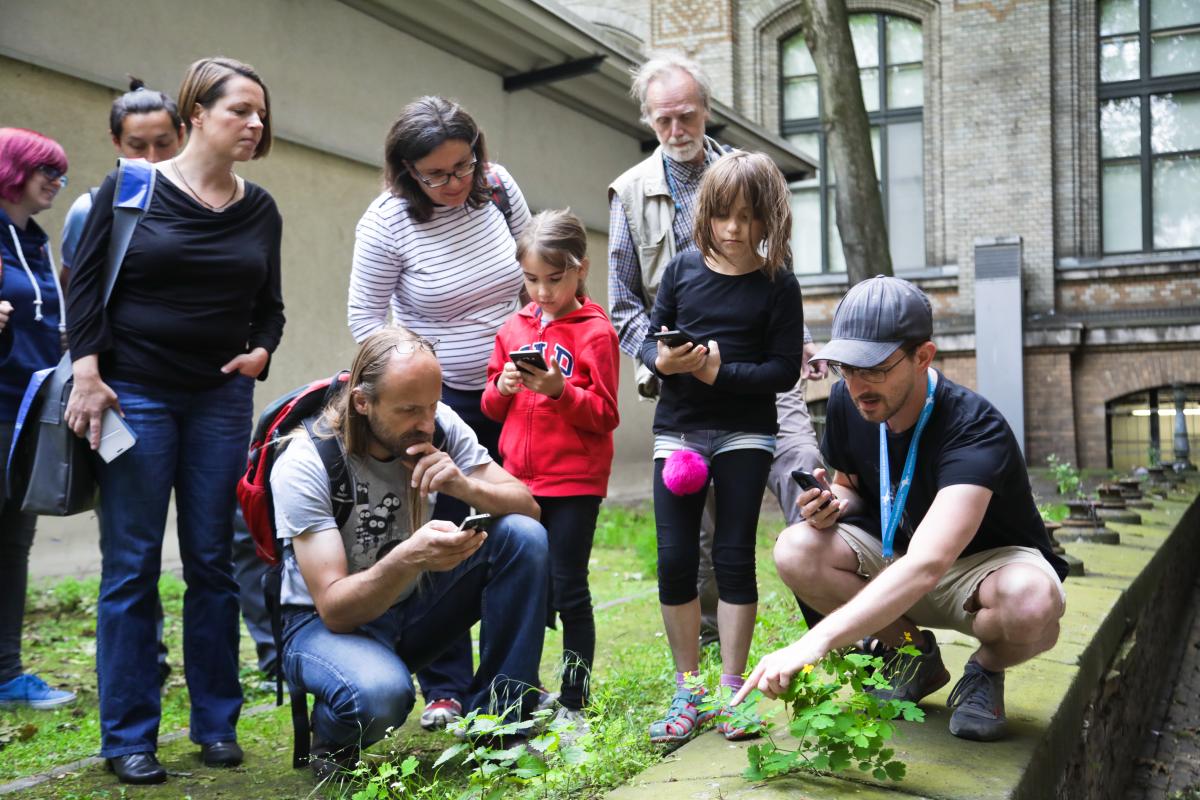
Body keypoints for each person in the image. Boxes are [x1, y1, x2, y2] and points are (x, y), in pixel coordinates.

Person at [64, 57, 285, 784]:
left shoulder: (260, 208)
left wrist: (261, 351)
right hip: (136, 396)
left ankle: (216, 723)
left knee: (213, 565)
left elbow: (269, 308)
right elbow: (86, 288)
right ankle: (128, 735)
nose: (256, 124)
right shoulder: (129, 189)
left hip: (220, 400)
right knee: (130, 568)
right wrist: (88, 373)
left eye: (261, 113)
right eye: (240, 111)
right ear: (197, 113)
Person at [735, 275, 1069, 743]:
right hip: (895, 554)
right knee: (795, 547)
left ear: (923, 356)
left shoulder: (975, 427)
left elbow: (930, 562)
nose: (857, 385)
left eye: (874, 368)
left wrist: (809, 645)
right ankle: (914, 657)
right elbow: (850, 483)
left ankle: (985, 671)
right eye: (847, 368)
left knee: (1034, 602)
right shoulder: (848, 403)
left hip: (978, 571)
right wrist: (833, 503)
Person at [607, 53, 827, 643]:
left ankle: (849, 633)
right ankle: (706, 649)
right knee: (699, 534)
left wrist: (798, 341)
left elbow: (782, 268)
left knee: (805, 478)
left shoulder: (749, 171)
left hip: (762, 373)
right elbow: (623, 306)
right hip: (685, 384)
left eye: (687, 116)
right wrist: (658, 356)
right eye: (663, 121)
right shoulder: (629, 193)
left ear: (708, 110)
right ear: (649, 120)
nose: (676, 131)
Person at [272, 327, 548, 778]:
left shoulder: (438, 423)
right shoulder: (306, 461)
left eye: (431, 406)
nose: (425, 422)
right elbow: (336, 610)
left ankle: (501, 727)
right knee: (381, 696)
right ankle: (334, 733)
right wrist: (410, 556)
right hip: (321, 627)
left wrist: (462, 483)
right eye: (408, 410)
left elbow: (529, 509)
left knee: (521, 537)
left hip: (409, 604)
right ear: (363, 402)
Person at [347, 95, 532, 731]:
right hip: (445, 399)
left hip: (517, 389)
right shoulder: (386, 223)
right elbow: (366, 319)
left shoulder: (499, 188)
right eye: (438, 174)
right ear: (406, 170)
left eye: (465, 167)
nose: (456, 183)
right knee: (447, 531)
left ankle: (510, 691)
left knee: (523, 529)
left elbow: (531, 271)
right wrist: (410, 383)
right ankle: (448, 688)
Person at [638, 152, 804, 743]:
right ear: (705, 214)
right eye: (723, 217)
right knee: (676, 556)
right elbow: (655, 342)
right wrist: (664, 359)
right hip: (679, 430)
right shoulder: (682, 270)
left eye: (748, 218)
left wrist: (720, 374)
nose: (734, 230)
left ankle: (733, 691)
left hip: (744, 434)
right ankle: (689, 690)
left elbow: (784, 371)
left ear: (769, 221)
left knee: (733, 555)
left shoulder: (778, 284)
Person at [481, 209, 620, 737]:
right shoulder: (511, 328)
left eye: (554, 279)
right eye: (531, 279)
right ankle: (519, 691)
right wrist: (506, 389)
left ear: (580, 269)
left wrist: (560, 391)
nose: (541, 291)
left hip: (574, 484)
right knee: (522, 590)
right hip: (519, 481)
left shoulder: (596, 332)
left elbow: (606, 414)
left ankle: (575, 700)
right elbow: (491, 407)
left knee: (568, 589)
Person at [0, 128, 76, 710]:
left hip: (28, 413)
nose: (55, 180)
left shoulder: (37, 240)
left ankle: (6, 674)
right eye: (44, 170)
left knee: (13, 540)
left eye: (60, 172)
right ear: (11, 171)